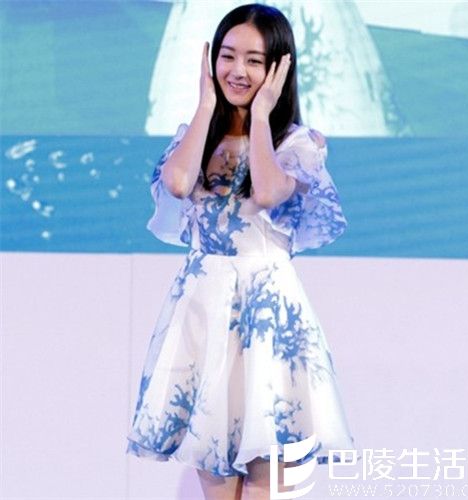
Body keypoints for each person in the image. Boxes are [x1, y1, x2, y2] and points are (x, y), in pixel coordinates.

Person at [126, 4, 357, 499]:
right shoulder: (193, 139)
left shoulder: (299, 144)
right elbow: (178, 183)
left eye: (254, 60)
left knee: (264, 481)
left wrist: (261, 117)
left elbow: (269, 191)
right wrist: (205, 106)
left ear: (278, 68)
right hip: (203, 312)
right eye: (227, 56)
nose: (237, 70)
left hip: (267, 317)